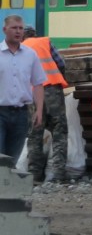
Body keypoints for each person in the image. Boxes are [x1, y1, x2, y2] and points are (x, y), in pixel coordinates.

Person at [22, 25, 69, 183]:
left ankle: (34, 175)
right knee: (59, 131)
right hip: (52, 91)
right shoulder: (45, 42)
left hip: (33, 94)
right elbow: (61, 64)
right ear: (35, 35)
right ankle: (58, 174)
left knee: (35, 134)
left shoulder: (19, 48)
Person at [0, 15, 45, 167]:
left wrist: (39, 110)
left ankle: (7, 190)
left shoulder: (30, 55)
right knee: (0, 159)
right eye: (14, 28)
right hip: (1, 112)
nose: (18, 31)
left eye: (20, 28)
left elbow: (38, 83)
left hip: (21, 114)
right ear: (5, 30)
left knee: (12, 161)